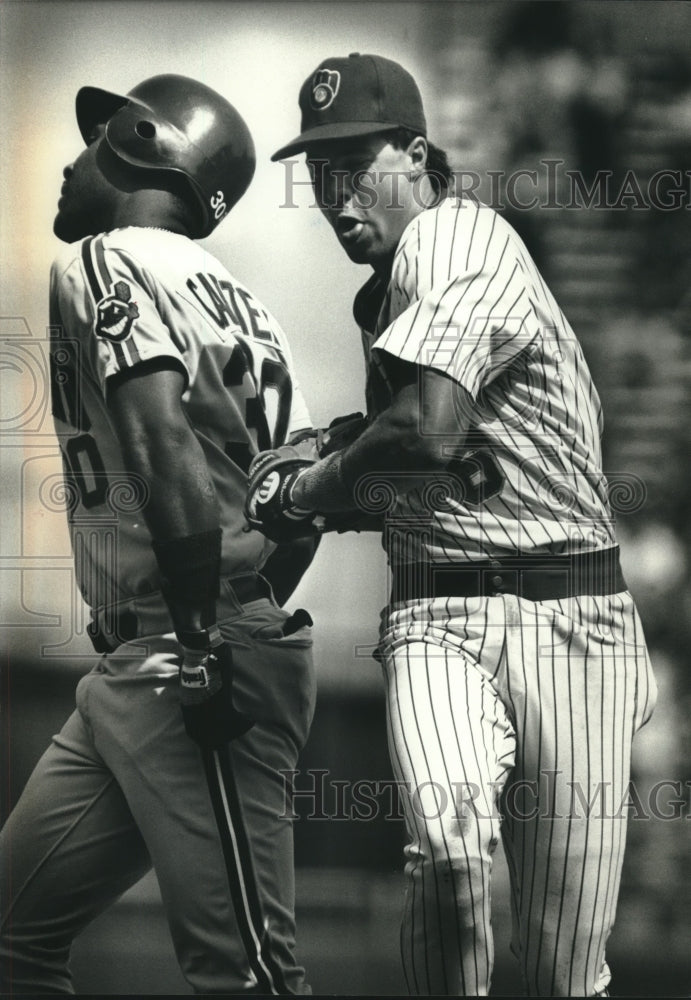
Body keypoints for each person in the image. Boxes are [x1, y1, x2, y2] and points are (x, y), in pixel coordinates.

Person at [248, 53, 658, 997]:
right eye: (318, 174)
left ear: (419, 153)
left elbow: (427, 436)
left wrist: (306, 489)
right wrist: (331, 477)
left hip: (572, 622)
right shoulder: (399, 289)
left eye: (355, 166)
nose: (333, 193)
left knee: (563, 971)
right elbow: (434, 470)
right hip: (439, 619)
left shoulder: (453, 237)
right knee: (446, 843)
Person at [0, 73, 316, 995]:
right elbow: (295, 510)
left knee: (247, 974)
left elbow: (158, 437)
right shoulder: (254, 311)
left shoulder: (105, 258)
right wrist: (236, 607)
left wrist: (204, 635)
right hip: (160, 655)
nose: (70, 161)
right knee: (10, 939)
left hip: (186, 656)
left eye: (95, 139)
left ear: (144, 140)